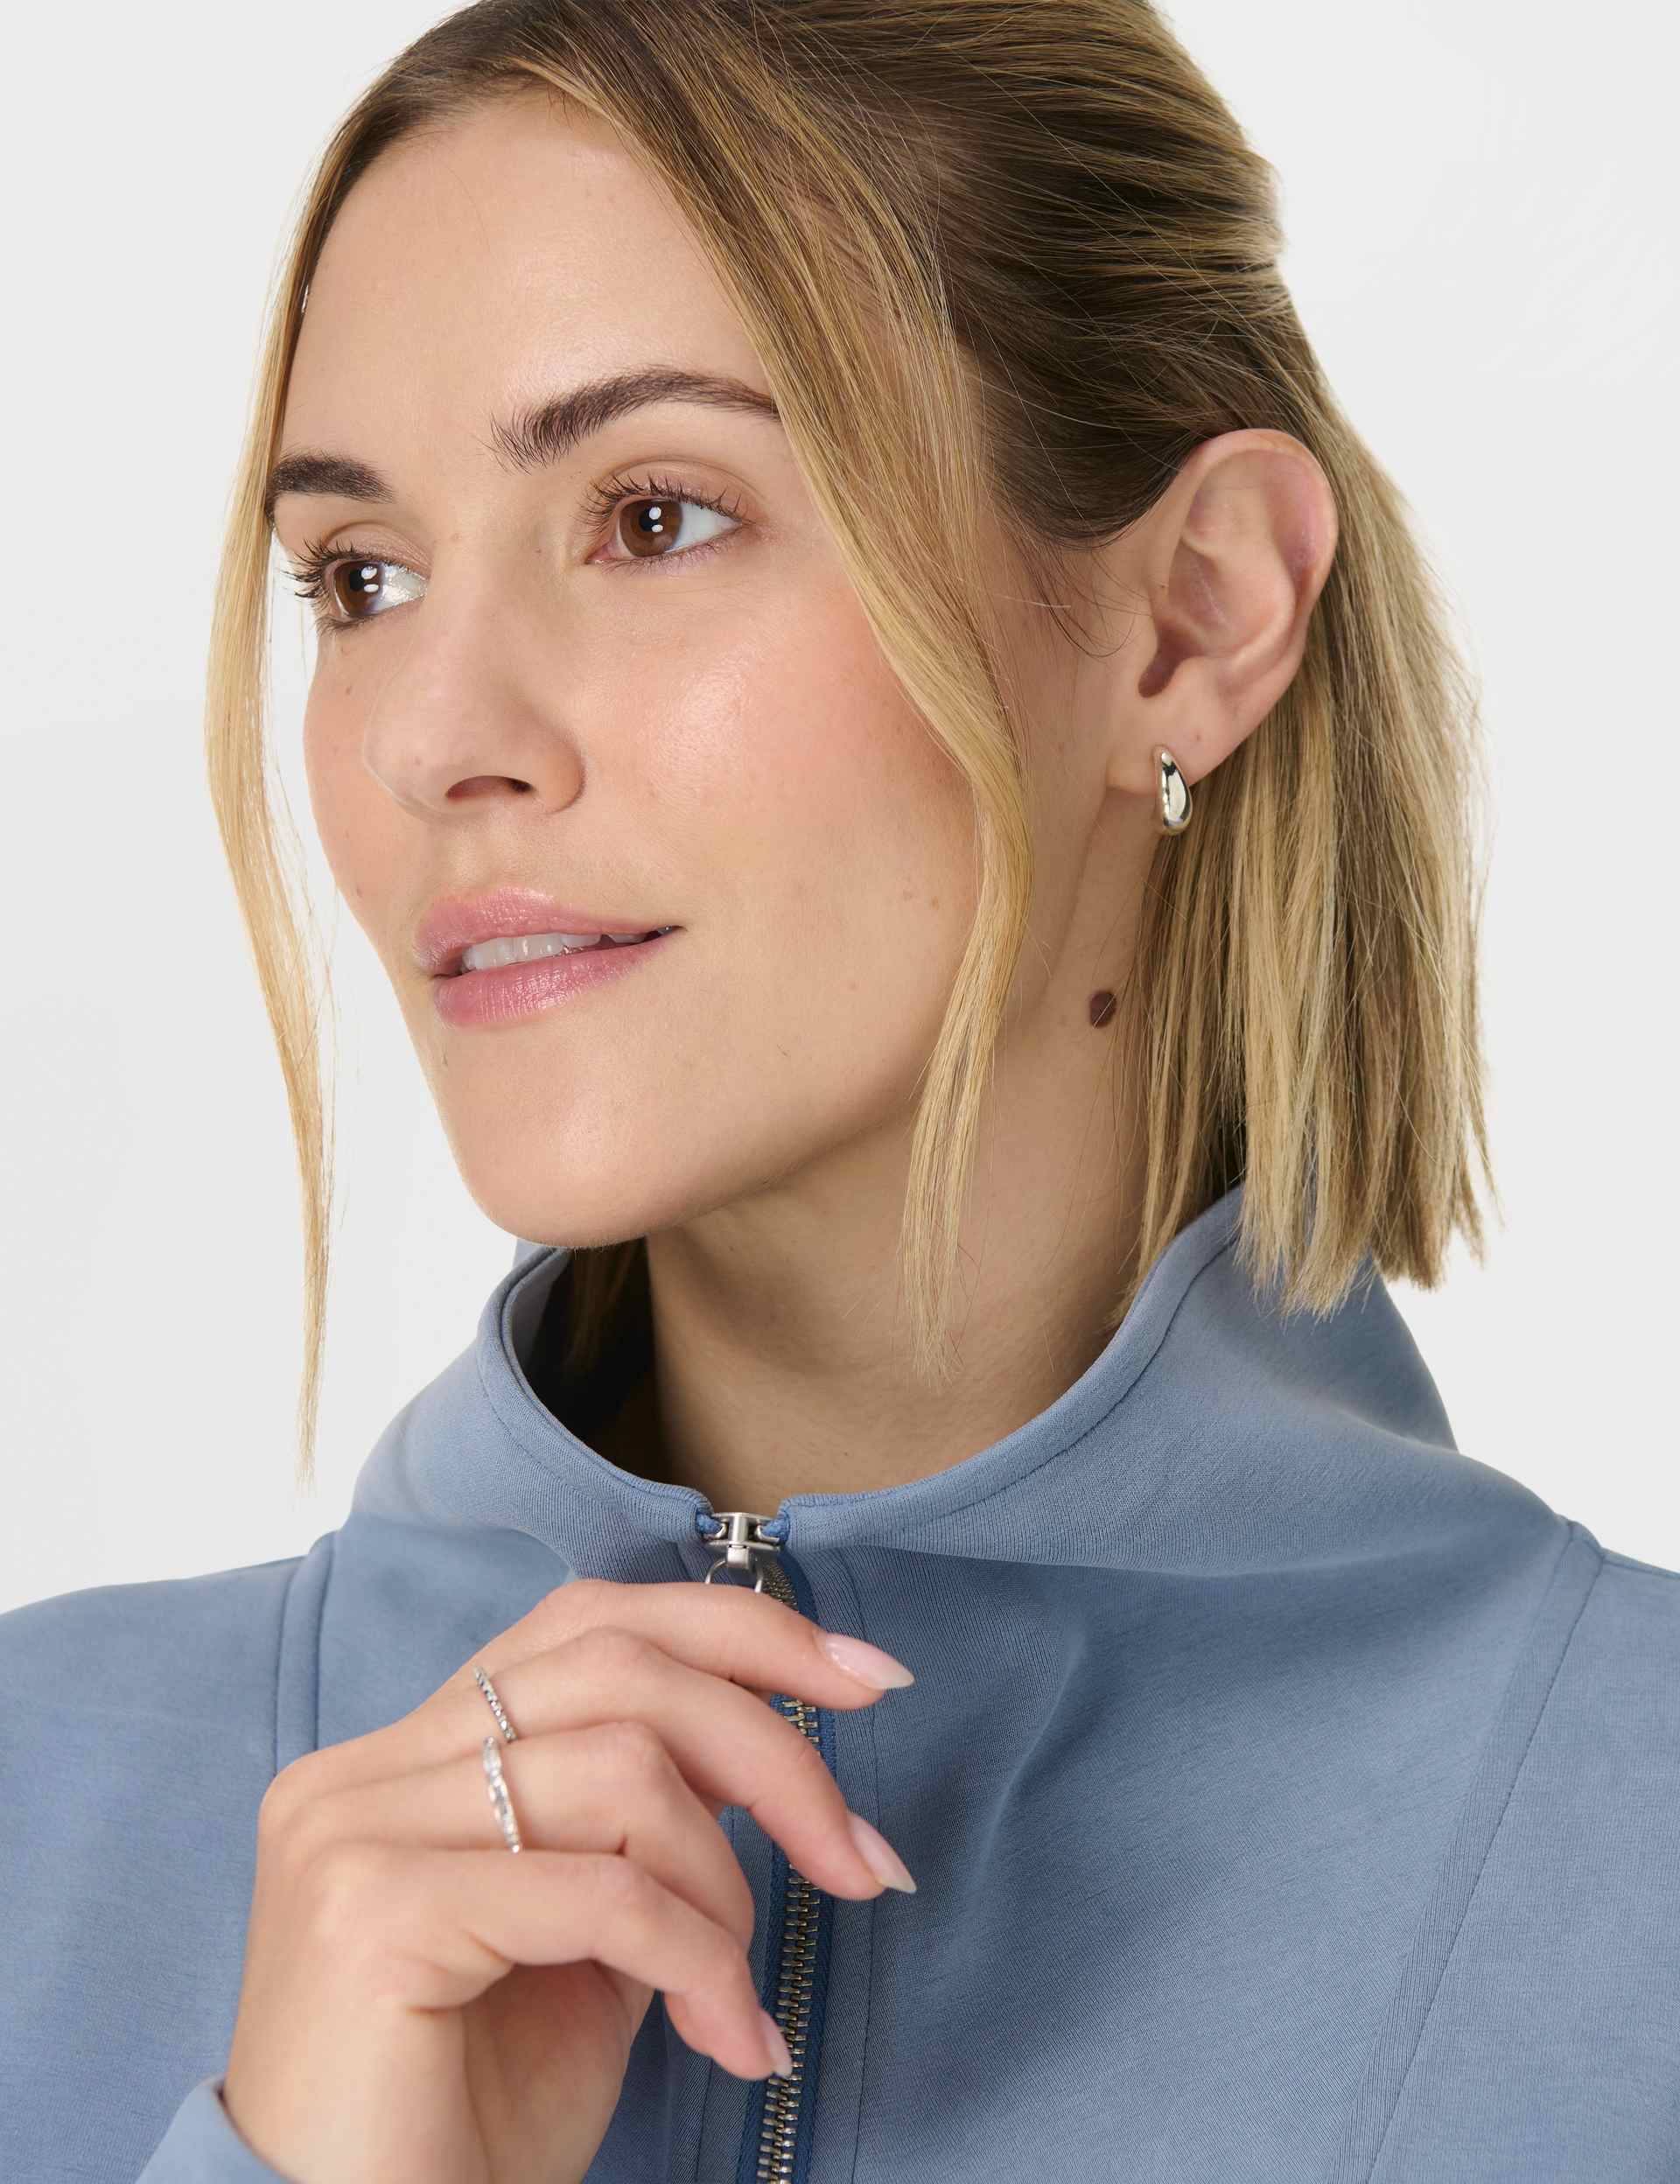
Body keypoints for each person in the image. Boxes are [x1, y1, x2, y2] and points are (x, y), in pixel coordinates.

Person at [4, 3, 1676, 2179]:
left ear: (1191, 619)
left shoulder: (1632, 1854)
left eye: (655, 516)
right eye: (362, 578)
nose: (433, 736)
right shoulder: (40, 1806)